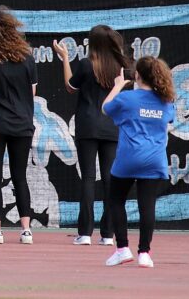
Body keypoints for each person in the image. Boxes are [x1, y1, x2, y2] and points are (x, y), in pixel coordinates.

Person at [51, 25, 130, 247]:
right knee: (109, 179)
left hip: (87, 126)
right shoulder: (120, 66)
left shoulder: (87, 64)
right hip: (111, 127)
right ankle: (108, 234)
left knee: (87, 178)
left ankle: (85, 233)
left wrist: (65, 58)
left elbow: (70, 87)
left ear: (93, 43)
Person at [101, 56, 176, 268]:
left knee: (116, 200)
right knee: (147, 206)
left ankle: (122, 249)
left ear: (137, 75)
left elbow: (105, 108)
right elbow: (169, 119)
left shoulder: (127, 98)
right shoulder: (166, 101)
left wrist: (117, 86)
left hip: (128, 158)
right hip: (154, 160)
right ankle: (144, 253)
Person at [0, 8, 37, 245]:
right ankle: (26, 230)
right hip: (22, 124)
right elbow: (32, 93)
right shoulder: (27, 58)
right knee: (20, 176)